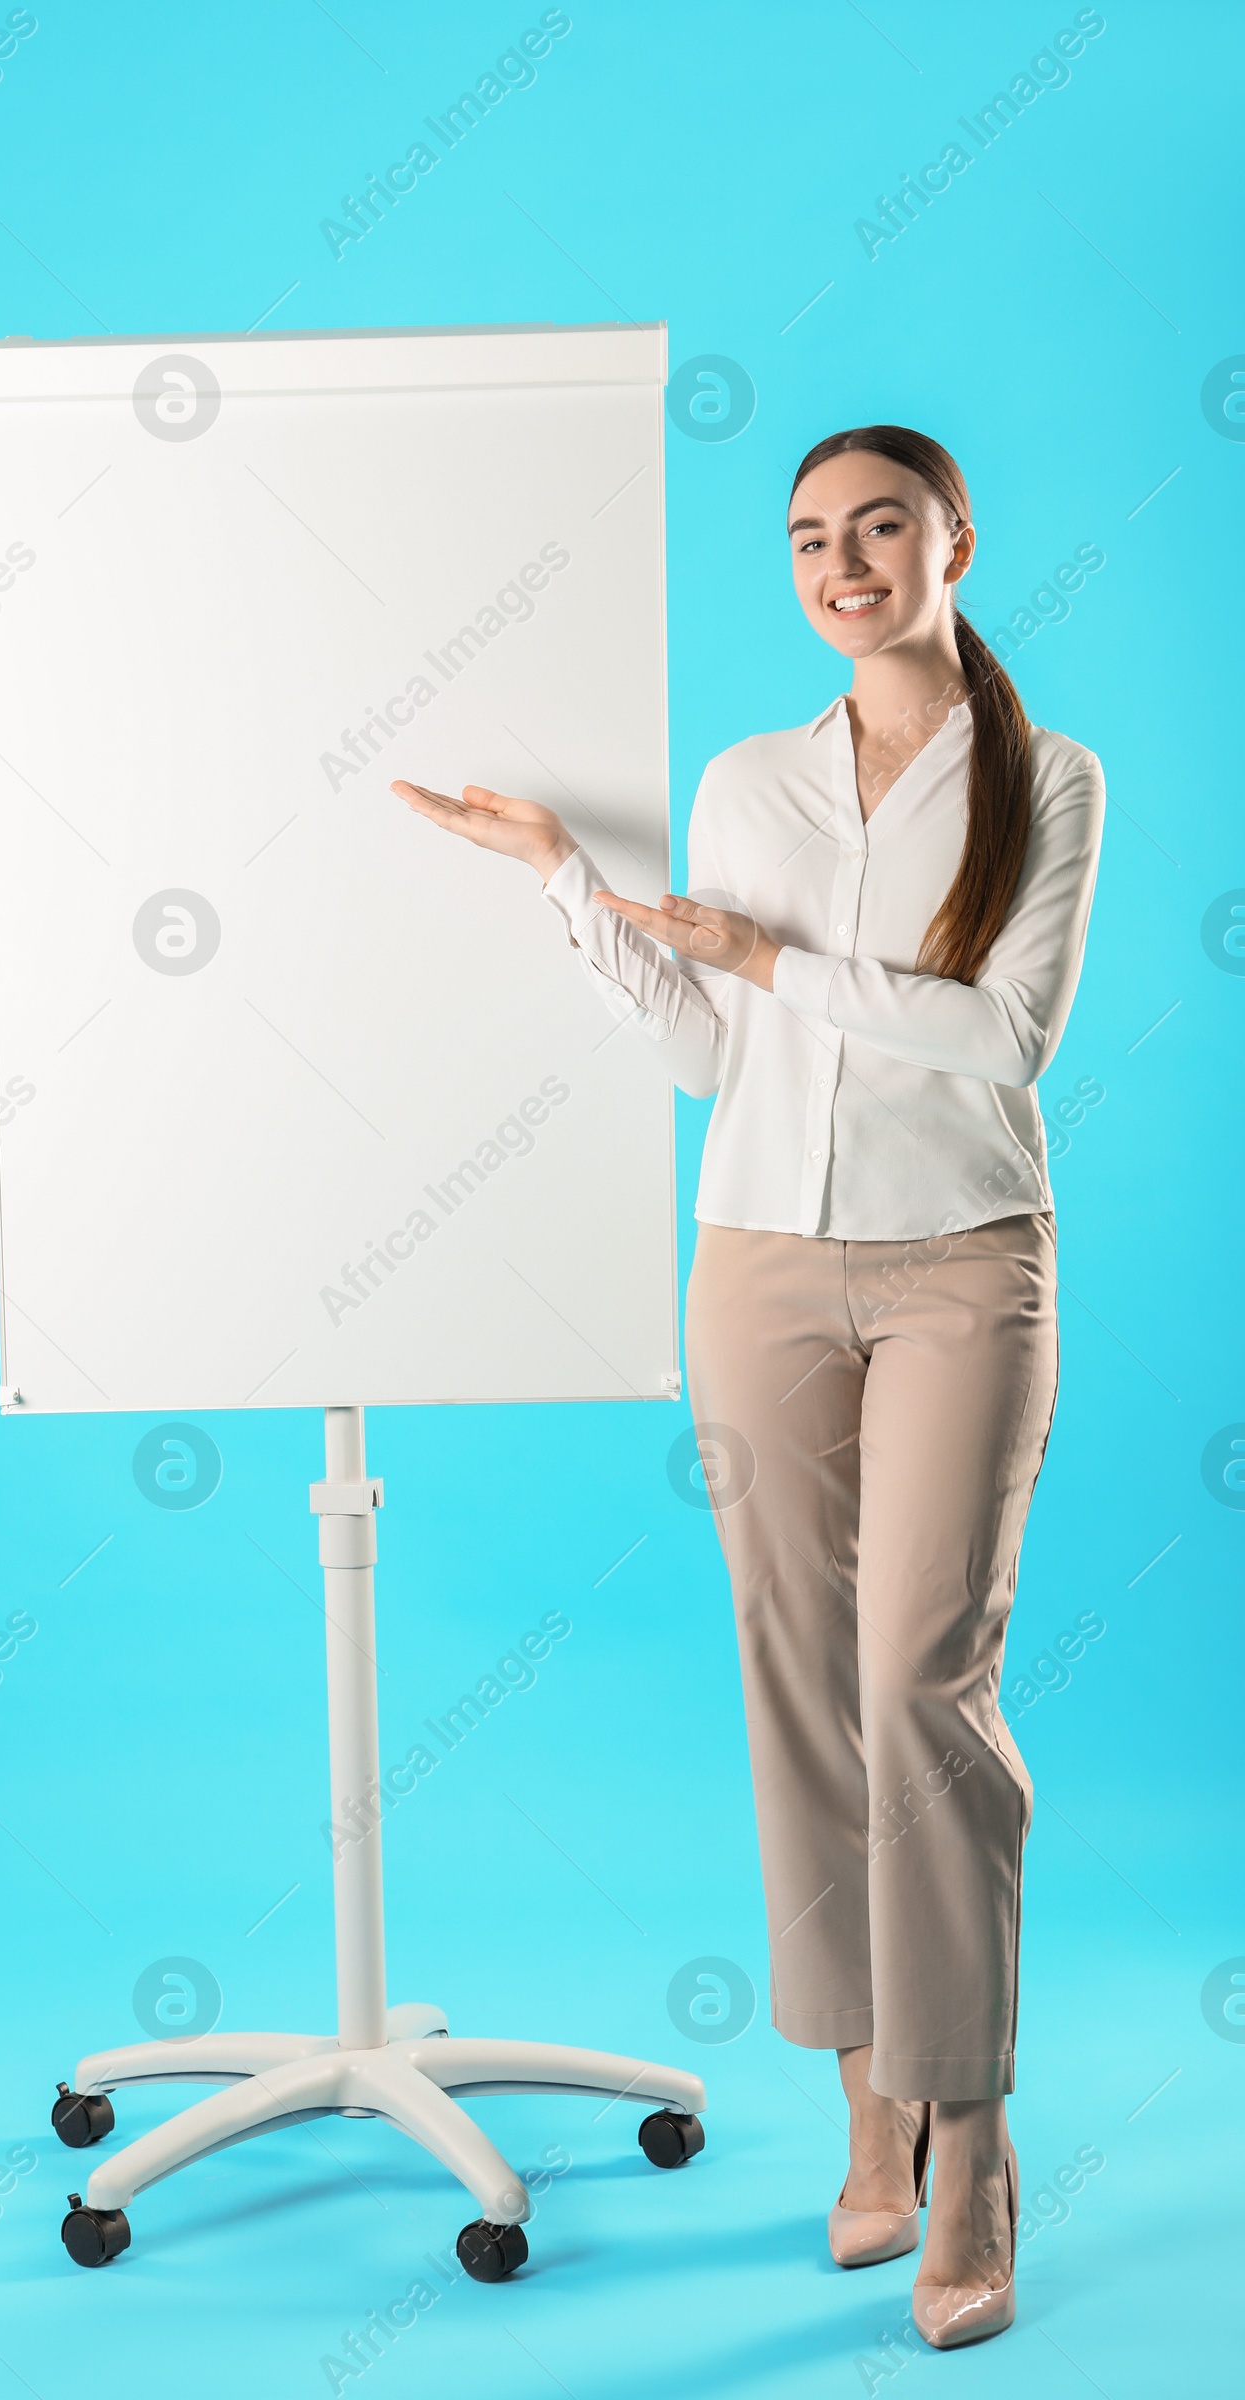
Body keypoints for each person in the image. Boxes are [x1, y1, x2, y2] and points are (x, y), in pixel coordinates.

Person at [392, 424, 1104, 2350]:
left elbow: (996, 1038)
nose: (843, 560)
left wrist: (775, 962)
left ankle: (973, 2147)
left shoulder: (1048, 781)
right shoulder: (747, 781)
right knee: (801, 1690)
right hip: (760, 1270)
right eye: (809, 537)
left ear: (957, 535)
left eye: (880, 526)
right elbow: (717, 1055)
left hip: (967, 1267)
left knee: (919, 1689)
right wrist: (572, 889)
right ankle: (867, 2096)